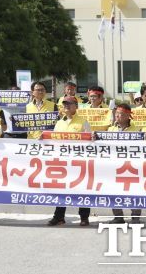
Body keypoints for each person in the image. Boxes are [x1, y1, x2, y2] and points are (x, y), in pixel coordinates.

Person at [48, 96, 92, 226]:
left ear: (76, 106)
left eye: (70, 104)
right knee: (61, 190)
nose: (66, 106)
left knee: (82, 189)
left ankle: (84, 217)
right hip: (62, 162)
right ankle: (59, 216)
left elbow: (89, 142)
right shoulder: (59, 122)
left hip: (79, 162)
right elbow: (53, 140)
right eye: (65, 104)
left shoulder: (83, 122)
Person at [108, 104, 142, 224]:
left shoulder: (137, 129)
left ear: (128, 116)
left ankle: (135, 217)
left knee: (134, 192)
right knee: (114, 191)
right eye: (116, 113)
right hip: (114, 166)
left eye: (121, 114)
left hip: (132, 166)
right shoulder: (110, 129)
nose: (117, 116)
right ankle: (118, 217)